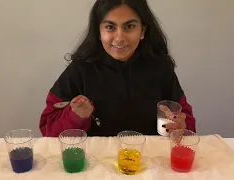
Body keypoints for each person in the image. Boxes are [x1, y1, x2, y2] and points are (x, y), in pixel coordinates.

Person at [39, 0, 196, 137]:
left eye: (129, 26)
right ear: (99, 32)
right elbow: (48, 128)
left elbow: (186, 123)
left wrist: (180, 127)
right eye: (110, 27)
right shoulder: (79, 70)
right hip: (96, 163)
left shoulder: (160, 67)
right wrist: (75, 115)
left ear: (142, 31)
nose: (119, 38)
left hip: (148, 161)